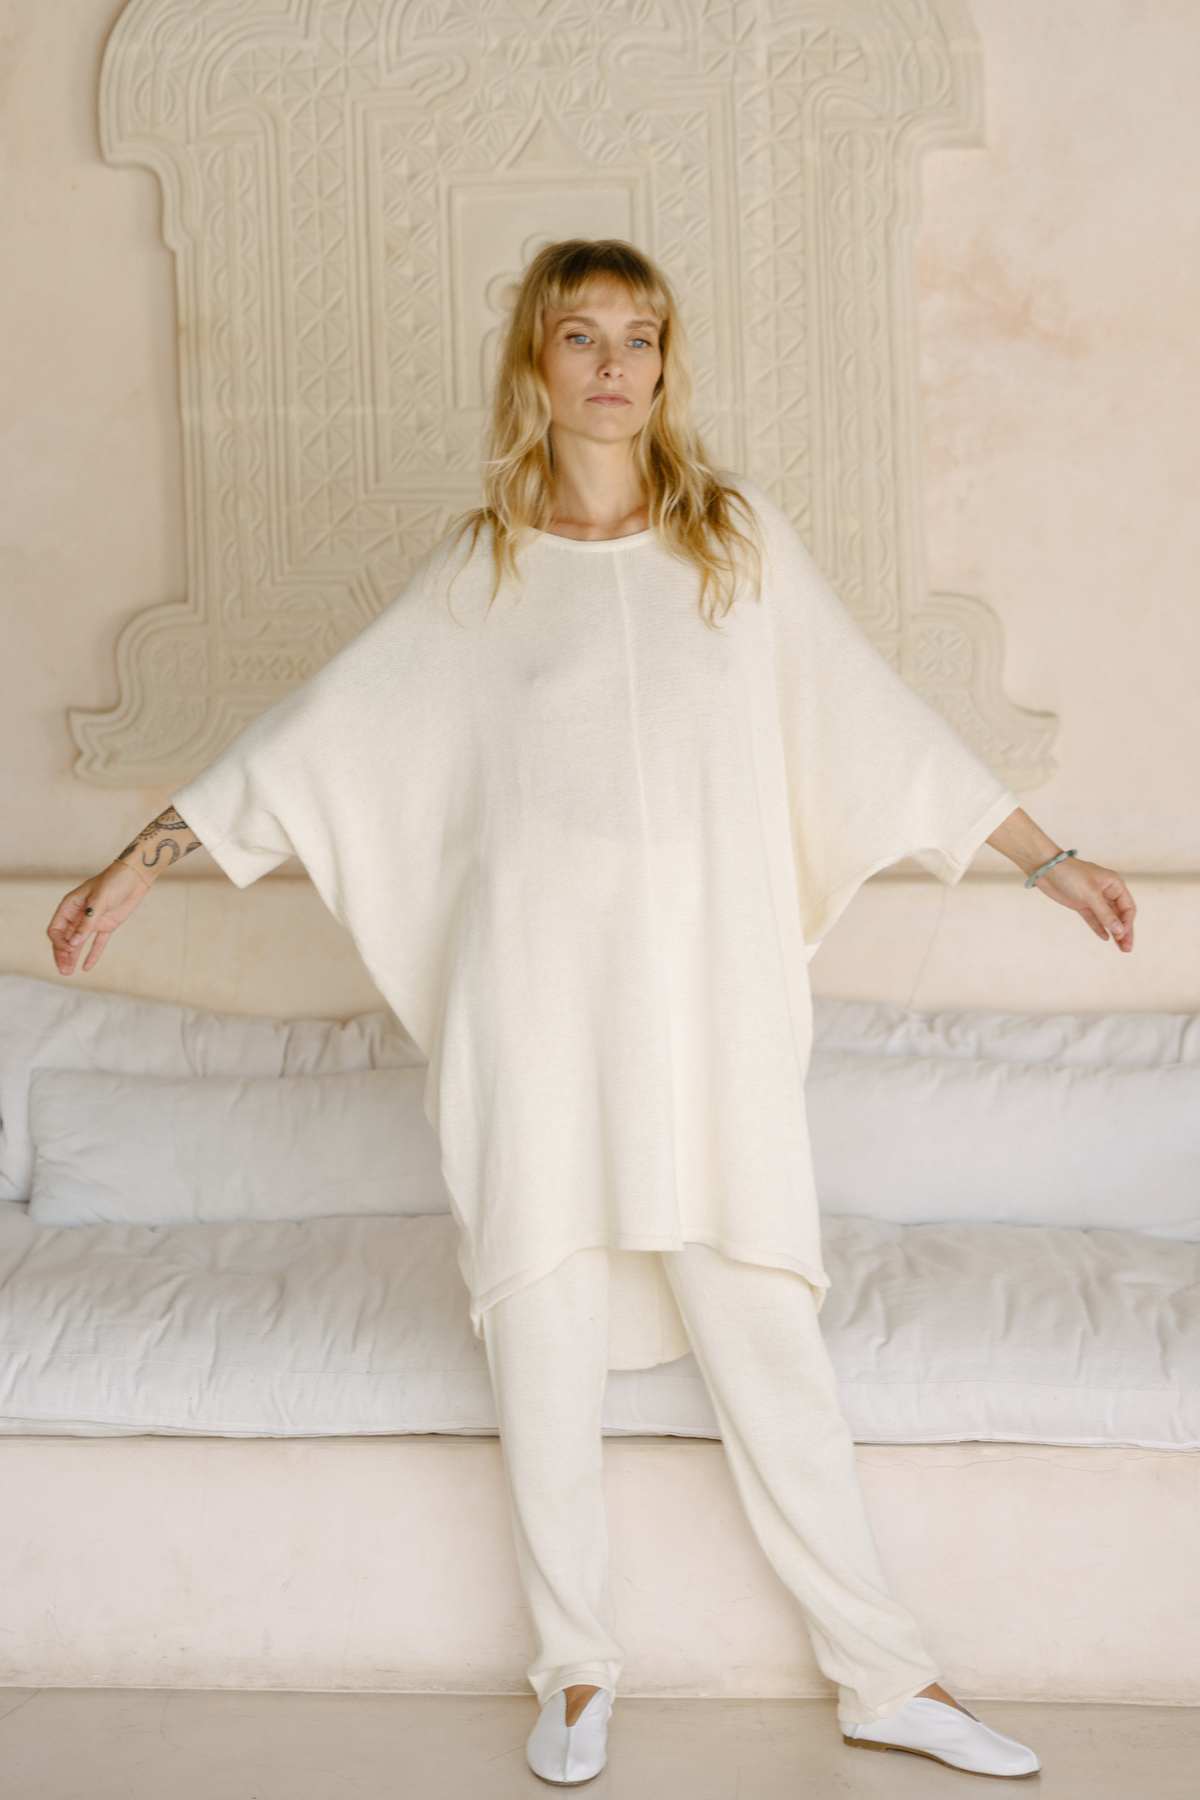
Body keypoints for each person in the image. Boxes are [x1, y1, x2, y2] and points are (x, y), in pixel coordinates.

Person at [47, 239, 1135, 1785]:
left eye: (641, 338)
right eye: (582, 336)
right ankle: (572, 1676)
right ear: (537, 366)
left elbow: (883, 724)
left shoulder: (736, 549)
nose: (614, 365)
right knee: (541, 1338)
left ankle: (887, 1676)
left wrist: (1054, 862)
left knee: (767, 1333)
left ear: (667, 367)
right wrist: (132, 869)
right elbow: (307, 751)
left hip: (709, 1024)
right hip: (539, 1031)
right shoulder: (481, 571)